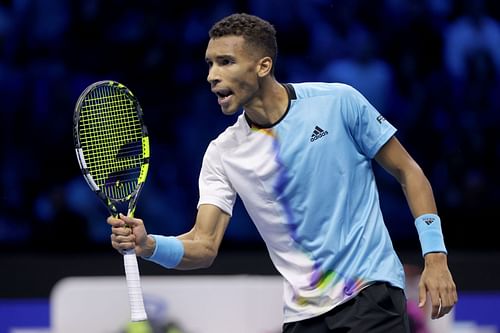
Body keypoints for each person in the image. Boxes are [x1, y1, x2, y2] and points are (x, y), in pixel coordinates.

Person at [108, 13, 457, 332]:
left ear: (263, 66)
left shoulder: (337, 102)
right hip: (302, 317)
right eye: (210, 64)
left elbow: (409, 171)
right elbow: (204, 245)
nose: (212, 75)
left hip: (370, 293)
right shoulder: (222, 153)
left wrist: (435, 256)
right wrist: (150, 245)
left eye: (226, 62)